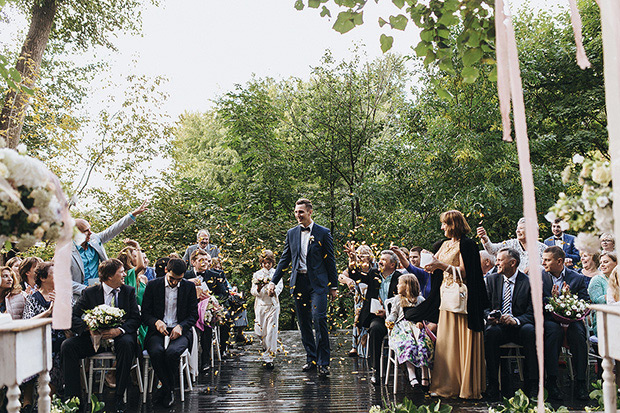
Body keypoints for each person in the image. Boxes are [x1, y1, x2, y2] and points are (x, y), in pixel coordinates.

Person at [268, 198, 338, 378]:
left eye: (301, 212)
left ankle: (324, 362)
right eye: (296, 212)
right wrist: (273, 281)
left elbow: (330, 260)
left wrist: (334, 286)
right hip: (299, 282)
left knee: (319, 318)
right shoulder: (291, 233)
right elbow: (284, 259)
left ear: (310, 212)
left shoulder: (323, 233)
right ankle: (311, 359)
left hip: (318, 285)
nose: (298, 215)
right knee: (304, 322)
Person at [61, 259, 141, 413]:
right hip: (95, 338)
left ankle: (119, 397)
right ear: (110, 276)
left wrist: (120, 331)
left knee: (127, 344)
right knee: (68, 346)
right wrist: (89, 327)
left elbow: (135, 318)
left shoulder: (128, 291)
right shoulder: (90, 293)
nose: (125, 274)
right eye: (121, 272)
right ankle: (73, 400)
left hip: (120, 336)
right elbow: (73, 317)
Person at [425, 210, 488, 399]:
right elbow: (435, 262)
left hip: (461, 300)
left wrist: (440, 266)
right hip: (446, 296)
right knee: (447, 343)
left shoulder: (467, 244)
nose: (442, 227)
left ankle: (463, 385)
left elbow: (465, 271)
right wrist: (429, 265)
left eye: (445, 223)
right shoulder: (444, 244)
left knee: (460, 340)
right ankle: (447, 383)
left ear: (453, 224)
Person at [141, 258, 198, 407]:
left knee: (172, 353)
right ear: (166, 270)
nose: (174, 282)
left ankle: (163, 389)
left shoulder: (189, 287)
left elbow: (193, 315)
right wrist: (156, 322)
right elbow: (145, 313)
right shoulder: (153, 285)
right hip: (158, 331)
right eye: (172, 278)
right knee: (157, 352)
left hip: (181, 331)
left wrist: (181, 326)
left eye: (178, 280)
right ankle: (169, 389)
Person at [484, 248, 537, 399]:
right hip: (499, 326)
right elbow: (485, 306)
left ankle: (531, 384)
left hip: (520, 325)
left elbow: (533, 312)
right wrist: (490, 316)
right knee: (490, 333)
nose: (497, 263)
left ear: (512, 263)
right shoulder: (492, 280)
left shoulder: (528, 282)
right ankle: (493, 384)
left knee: (530, 331)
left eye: (500, 260)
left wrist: (516, 320)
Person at [71, 201, 149, 299]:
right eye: (86, 231)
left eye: (90, 229)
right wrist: (85, 288)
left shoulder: (94, 239)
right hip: (78, 296)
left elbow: (112, 230)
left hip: (100, 292)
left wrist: (133, 214)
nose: (91, 233)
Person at [542, 246, 589, 401]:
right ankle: (552, 381)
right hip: (550, 320)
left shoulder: (577, 278)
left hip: (573, 320)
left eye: (547, 260)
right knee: (553, 331)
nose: (543, 263)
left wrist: (569, 299)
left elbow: (585, 303)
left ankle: (581, 382)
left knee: (578, 332)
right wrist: (553, 300)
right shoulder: (539, 278)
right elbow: (535, 303)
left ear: (559, 261)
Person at [350, 249, 402, 385]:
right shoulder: (374, 273)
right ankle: (376, 371)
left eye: (384, 260)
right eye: (380, 259)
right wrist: (353, 263)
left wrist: (389, 312)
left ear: (392, 264)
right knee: (374, 329)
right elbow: (358, 277)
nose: (380, 261)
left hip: (397, 317)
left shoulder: (399, 277)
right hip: (377, 316)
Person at [22, 263, 68, 404]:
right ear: (42, 278)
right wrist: (48, 312)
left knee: (60, 352)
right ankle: (29, 401)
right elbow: (27, 321)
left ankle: (49, 401)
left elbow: (72, 320)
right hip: (38, 341)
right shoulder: (33, 298)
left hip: (60, 342)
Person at [386, 274, 432, 390]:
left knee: (423, 344)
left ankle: (424, 375)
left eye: (399, 283)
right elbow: (393, 314)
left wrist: (422, 323)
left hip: (417, 327)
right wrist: (389, 321)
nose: (397, 286)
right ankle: (412, 376)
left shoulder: (420, 300)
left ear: (407, 286)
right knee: (408, 344)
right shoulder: (398, 299)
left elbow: (425, 316)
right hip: (402, 328)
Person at [339, 243, 376, 357]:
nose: (361, 258)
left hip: (371, 298)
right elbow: (341, 276)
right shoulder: (355, 268)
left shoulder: (374, 267)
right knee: (357, 320)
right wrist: (347, 281)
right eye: (359, 256)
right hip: (359, 298)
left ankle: (366, 348)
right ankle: (355, 346)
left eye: (363, 255)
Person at [477, 218, 546, 274]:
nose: (517, 231)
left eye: (521, 228)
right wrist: (485, 239)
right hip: (516, 285)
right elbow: (493, 250)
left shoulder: (543, 249)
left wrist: (536, 268)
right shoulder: (511, 244)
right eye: (517, 228)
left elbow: (549, 267)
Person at [251, 250, 283, 369]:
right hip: (260, 305)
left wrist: (273, 291)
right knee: (260, 331)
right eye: (264, 262)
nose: (267, 265)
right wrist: (259, 288)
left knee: (271, 331)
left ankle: (269, 358)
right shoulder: (257, 274)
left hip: (272, 305)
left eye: (269, 262)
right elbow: (253, 291)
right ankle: (264, 346)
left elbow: (280, 287)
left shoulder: (276, 273)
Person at [588, 252, 615, 333]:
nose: (602, 265)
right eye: (601, 263)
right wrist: (613, 295)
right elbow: (597, 301)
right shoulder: (597, 279)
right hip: (604, 319)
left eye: (606, 262)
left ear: (616, 263)